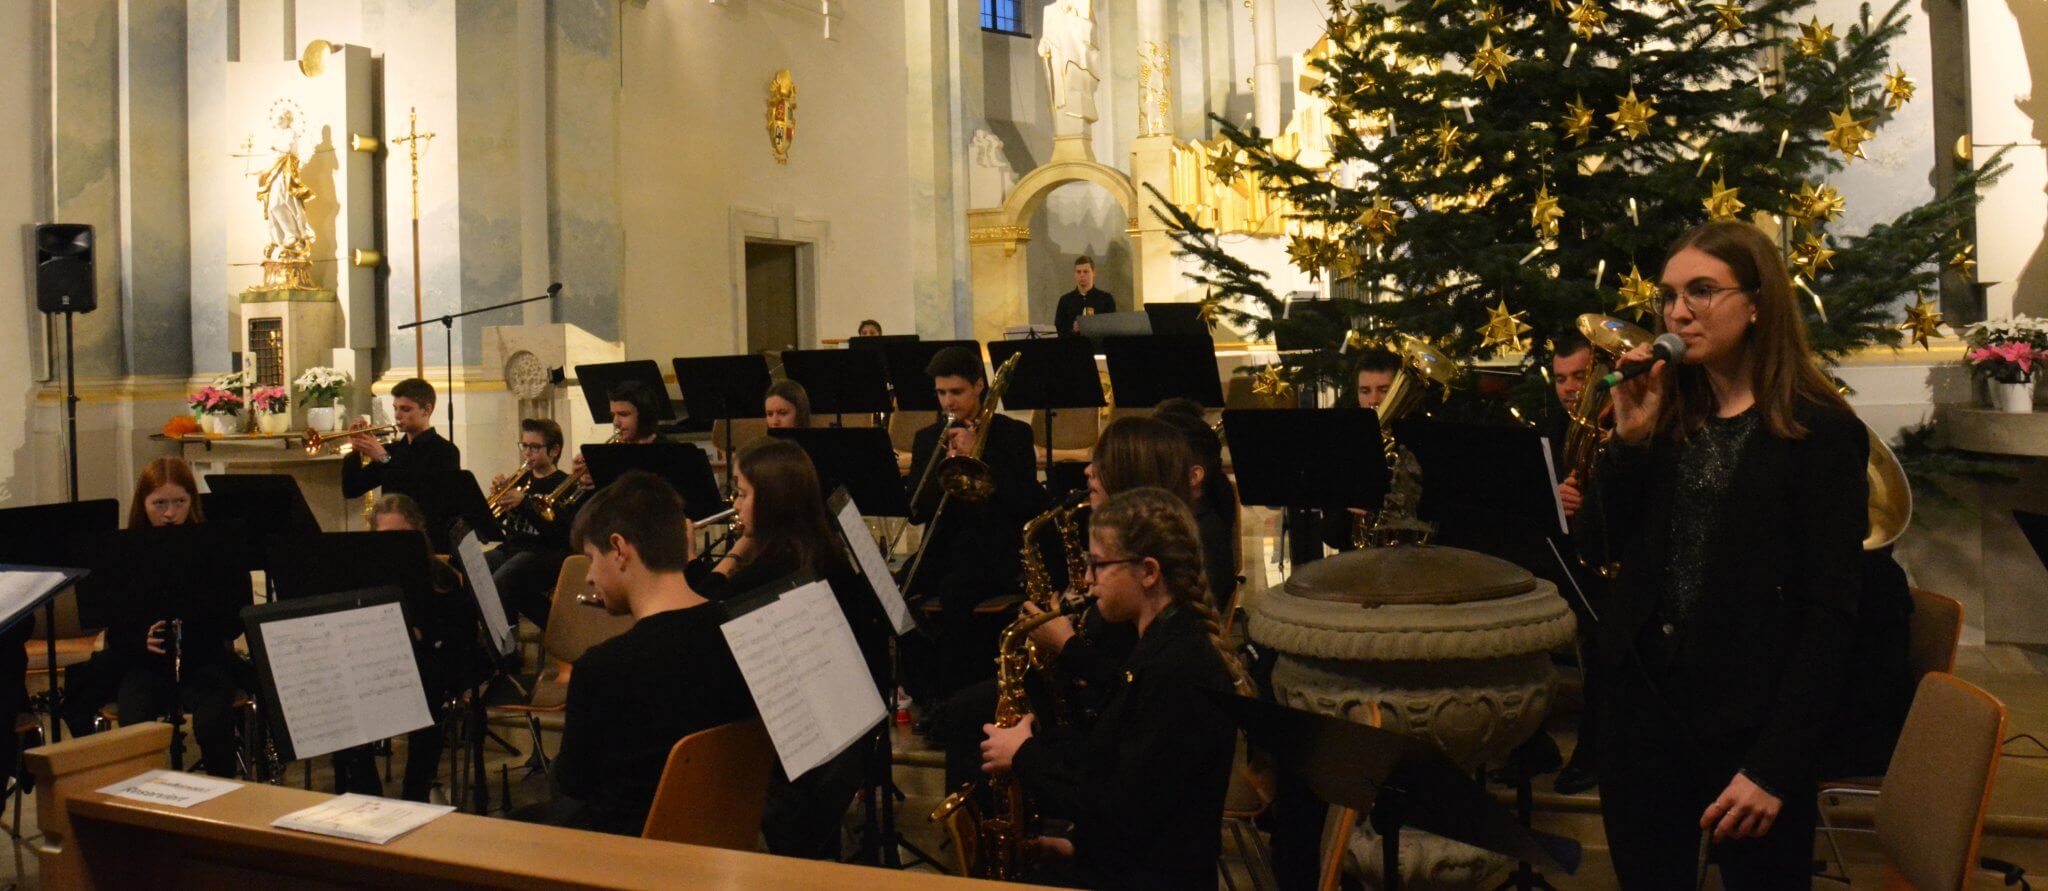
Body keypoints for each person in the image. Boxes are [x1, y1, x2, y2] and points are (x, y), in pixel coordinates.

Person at [1595, 220, 1865, 888]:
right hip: (1645, 717)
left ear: (1757, 305)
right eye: (1669, 295)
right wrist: (1627, 444)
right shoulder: (1667, 413)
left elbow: (1830, 612)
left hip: (1749, 726)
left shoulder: (1819, 430)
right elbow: (1595, 546)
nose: (1677, 311)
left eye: (1702, 291)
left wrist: (1776, 765)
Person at [980, 487, 1248, 890]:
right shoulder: (1161, 645)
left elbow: (1123, 811)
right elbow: (1131, 787)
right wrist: (1076, 845)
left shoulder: (1178, 669)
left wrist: (1024, 755)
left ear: (1149, 571)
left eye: (1099, 564)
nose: (1087, 579)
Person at [689, 439, 889, 859]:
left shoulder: (769, 573)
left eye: (742, 494)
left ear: (773, 501)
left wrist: (722, 558)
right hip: (841, 738)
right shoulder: (820, 551)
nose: (735, 505)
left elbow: (699, 617)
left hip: (793, 752)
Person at [551, 471, 758, 836]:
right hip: (719, 844)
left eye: (590, 558)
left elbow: (572, 784)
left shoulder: (602, 670)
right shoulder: (746, 634)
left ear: (618, 549)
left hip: (626, 855)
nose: (588, 577)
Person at [905, 345, 1045, 699]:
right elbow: (918, 512)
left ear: (979, 386)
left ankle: (953, 697)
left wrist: (975, 457)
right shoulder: (927, 439)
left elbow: (1025, 503)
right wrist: (944, 468)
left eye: (956, 392)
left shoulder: (1012, 435)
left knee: (955, 594)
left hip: (996, 549)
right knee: (896, 590)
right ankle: (922, 690)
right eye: (941, 393)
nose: (948, 402)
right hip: (945, 547)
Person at [332, 494, 487, 802]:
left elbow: (459, 635)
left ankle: (416, 789)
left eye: (402, 537)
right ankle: (364, 791)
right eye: (385, 538)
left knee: (426, 692)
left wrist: (422, 633)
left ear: (418, 534)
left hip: (431, 662)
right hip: (378, 662)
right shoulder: (363, 576)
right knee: (344, 696)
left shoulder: (441, 576)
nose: (394, 547)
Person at [106, 458, 242, 777]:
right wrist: (142, 640)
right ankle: (142, 803)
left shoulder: (214, 548)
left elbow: (233, 622)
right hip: (146, 665)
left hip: (205, 661)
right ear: (143, 504)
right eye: (159, 503)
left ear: (192, 502)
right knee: (134, 722)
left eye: (180, 502)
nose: (169, 513)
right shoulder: (126, 552)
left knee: (213, 724)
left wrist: (201, 623)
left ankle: (222, 804)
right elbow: (114, 632)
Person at [486, 418, 571, 630]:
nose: (527, 453)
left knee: (503, 581)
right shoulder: (521, 482)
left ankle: (509, 647)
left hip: (544, 552)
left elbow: (559, 532)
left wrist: (524, 504)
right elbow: (495, 525)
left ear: (554, 451)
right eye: (524, 446)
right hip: (512, 549)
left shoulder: (565, 484)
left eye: (534, 447)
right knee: (475, 571)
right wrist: (499, 498)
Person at [341, 377, 461, 499]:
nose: (397, 415)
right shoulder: (393, 450)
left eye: (405, 409)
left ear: (427, 410)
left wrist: (384, 458)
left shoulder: (445, 451)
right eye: (395, 408)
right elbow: (352, 489)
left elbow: (419, 493)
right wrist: (356, 448)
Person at [1053, 256, 1117, 336]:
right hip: (1073, 346)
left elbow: (1113, 328)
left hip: (1098, 347)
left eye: (1086, 272)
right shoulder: (1065, 300)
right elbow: (1059, 329)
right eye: (1078, 272)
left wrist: (1095, 326)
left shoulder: (1106, 299)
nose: (1082, 275)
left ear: (1093, 273)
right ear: (1074, 274)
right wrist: (1073, 329)